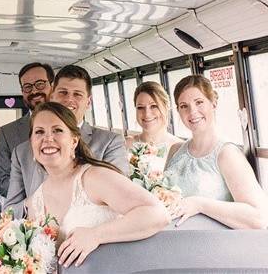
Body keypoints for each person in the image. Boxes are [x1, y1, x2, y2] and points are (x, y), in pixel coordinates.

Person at [26, 102, 169, 268]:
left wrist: (96, 235)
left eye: (57, 130)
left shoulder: (95, 178)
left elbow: (157, 213)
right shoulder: (33, 203)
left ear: (74, 141)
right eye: (39, 132)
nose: (48, 139)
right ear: (32, 142)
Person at [4, 65, 130, 213]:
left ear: (88, 102)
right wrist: (35, 202)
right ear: (52, 96)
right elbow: (10, 212)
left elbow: (120, 198)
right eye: (63, 93)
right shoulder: (22, 152)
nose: (69, 99)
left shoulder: (110, 143)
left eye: (77, 94)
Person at [165, 75, 268, 229]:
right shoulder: (175, 150)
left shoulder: (227, 154)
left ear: (213, 103)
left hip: (212, 245)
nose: (192, 112)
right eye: (184, 106)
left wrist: (199, 204)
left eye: (199, 102)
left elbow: (259, 218)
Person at [0, 62, 55, 198]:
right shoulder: (6, 133)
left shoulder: (72, 125)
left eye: (40, 84)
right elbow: (2, 182)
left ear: (53, 85)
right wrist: (38, 199)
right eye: (27, 87)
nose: (34, 91)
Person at [125, 81, 181, 155]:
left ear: (166, 108)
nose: (147, 114)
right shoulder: (124, 145)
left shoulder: (180, 148)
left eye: (154, 106)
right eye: (140, 107)